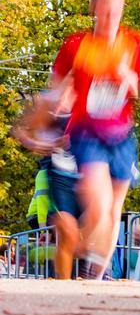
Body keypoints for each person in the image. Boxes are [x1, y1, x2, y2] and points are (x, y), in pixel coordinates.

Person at [49, 0, 140, 279]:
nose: (111, 15)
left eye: (117, 8)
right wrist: (56, 105)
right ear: (94, 8)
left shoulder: (137, 44)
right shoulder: (76, 44)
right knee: (98, 200)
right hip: (86, 130)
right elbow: (55, 87)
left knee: (113, 210)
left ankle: (93, 276)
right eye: (105, 8)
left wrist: (129, 78)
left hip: (122, 133)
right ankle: (77, 242)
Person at [13, 90, 82, 279]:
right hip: (57, 179)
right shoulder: (50, 102)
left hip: (80, 169)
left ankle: (76, 271)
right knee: (65, 230)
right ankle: (63, 277)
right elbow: (22, 133)